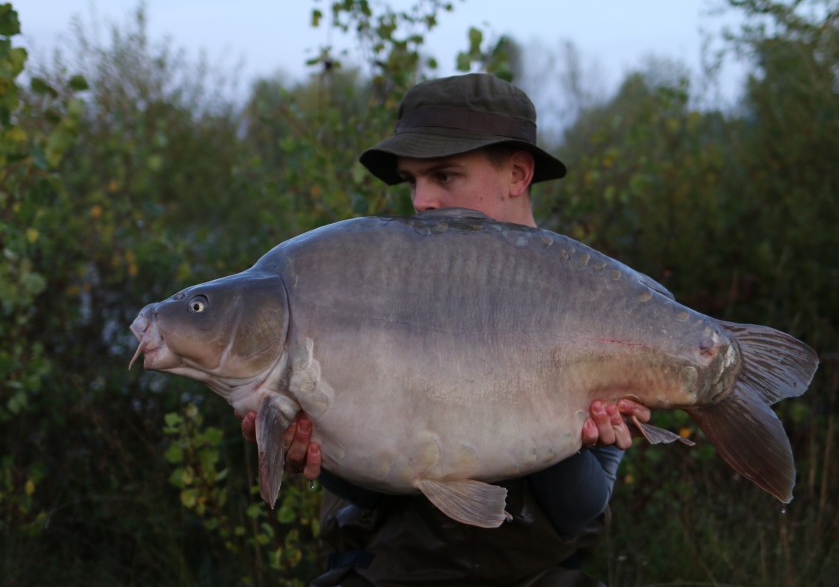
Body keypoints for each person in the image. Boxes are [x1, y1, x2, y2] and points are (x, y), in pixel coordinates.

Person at [240, 73, 652, 586]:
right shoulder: (380, 288)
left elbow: (579, 512)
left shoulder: (594, 300)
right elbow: (373, 494)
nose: (421, 200)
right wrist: (322, 454)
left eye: (445, 176)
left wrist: (560, 430)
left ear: (517, 175)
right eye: (413, 180)